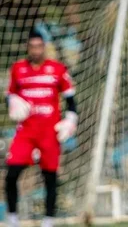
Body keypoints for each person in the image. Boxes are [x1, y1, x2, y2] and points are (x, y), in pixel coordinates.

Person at [4, 30, 78, 227]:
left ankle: (48, 221)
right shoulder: (18, 69)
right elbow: (9, 96)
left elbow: (71, 100)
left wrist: (70, 120)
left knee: (50, 176)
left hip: (49, 132)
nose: (36, 50)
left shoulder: (57, 69)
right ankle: (12, 219)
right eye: (32, 46)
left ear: (44, 47)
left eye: (39, 46)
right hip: (26, 132)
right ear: (28, 48)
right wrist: (12, 103)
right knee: (12, 174)